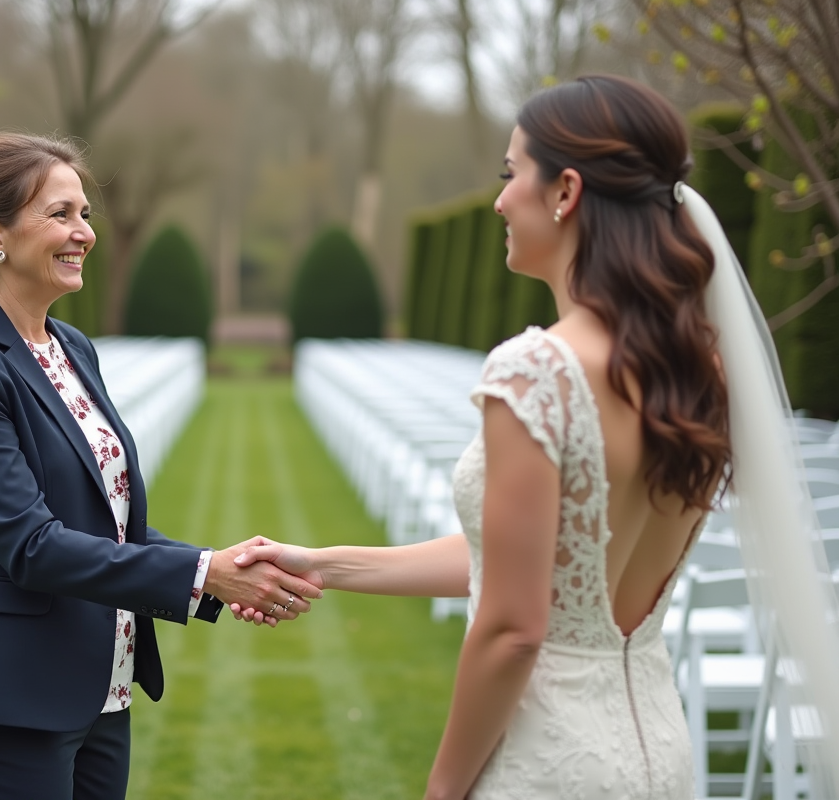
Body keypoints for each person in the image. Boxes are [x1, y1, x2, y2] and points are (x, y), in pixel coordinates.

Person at [232, 74, 839, 798]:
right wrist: (324, 564)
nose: (498, 199)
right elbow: (534, 558)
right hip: (662, 751)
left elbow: (515, 627)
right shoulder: (704, 367)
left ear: (565, 191)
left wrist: (445, 786)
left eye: (511, 173)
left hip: (551, 761)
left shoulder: (537, 369)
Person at [0, 132, 321, 800]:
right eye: (59, 214)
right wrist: (198, 575)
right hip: (6, 695)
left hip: (102, 686)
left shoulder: (71, 348)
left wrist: (219, 571)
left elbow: (104, 522)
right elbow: (31, 546)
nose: (83, 233)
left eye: (85, 214)